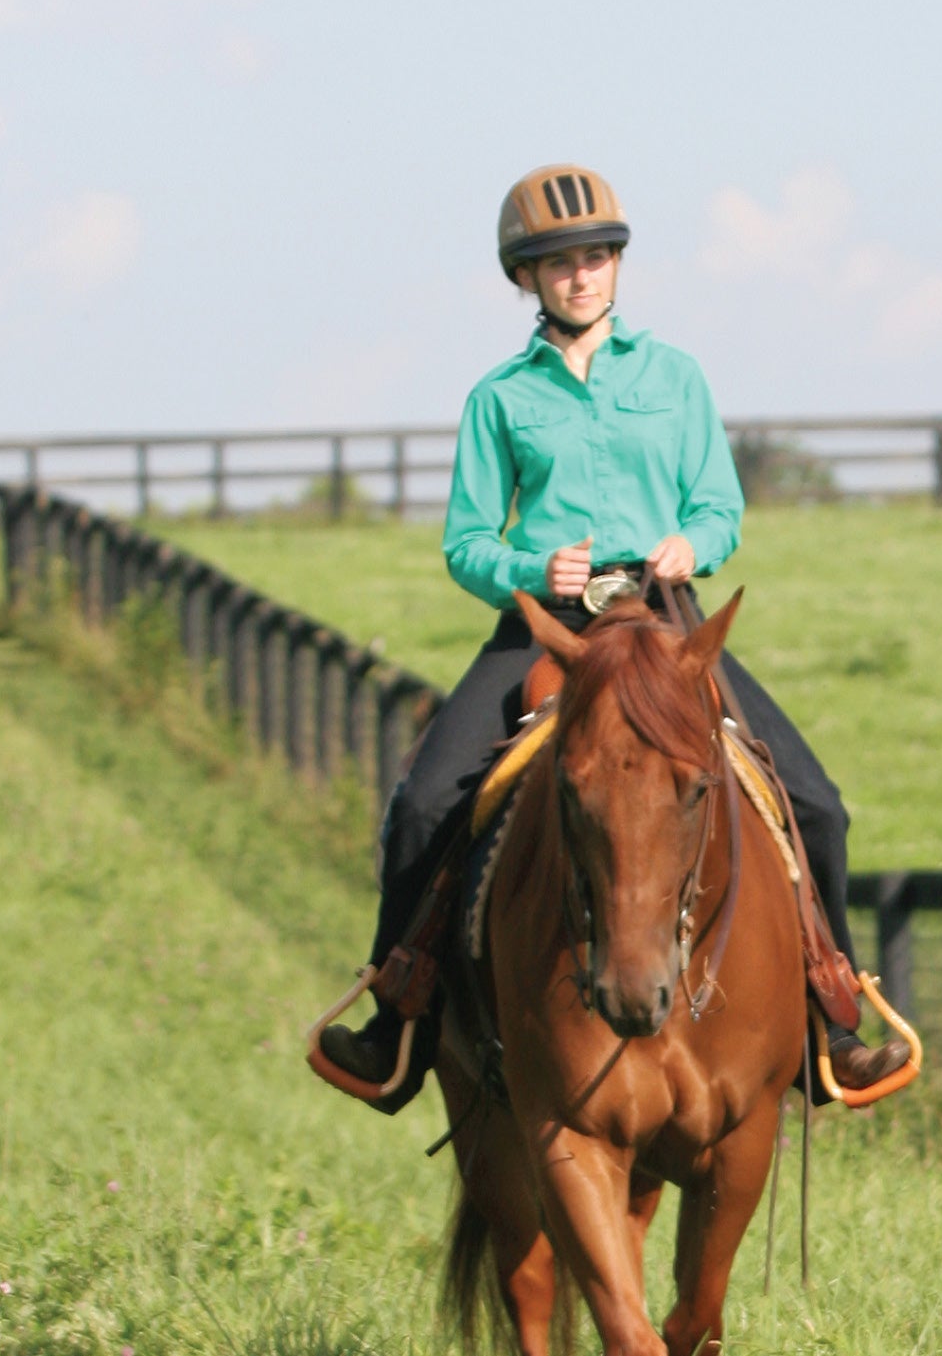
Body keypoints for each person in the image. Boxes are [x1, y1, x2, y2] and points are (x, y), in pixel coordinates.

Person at [312, 164, 908, 1107]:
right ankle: (399, 1021)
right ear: (527, 279)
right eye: (558, 265)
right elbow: (466, 542)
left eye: (596, 258)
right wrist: (524, 569)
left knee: (817, 803)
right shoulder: (499, 397)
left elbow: (720, 504)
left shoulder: (673, 377)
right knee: (425, 803)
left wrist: (692, 543)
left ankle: (832, 1022)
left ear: (617, 266)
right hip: (547, 627)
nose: (581, 277)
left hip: (662, 620)